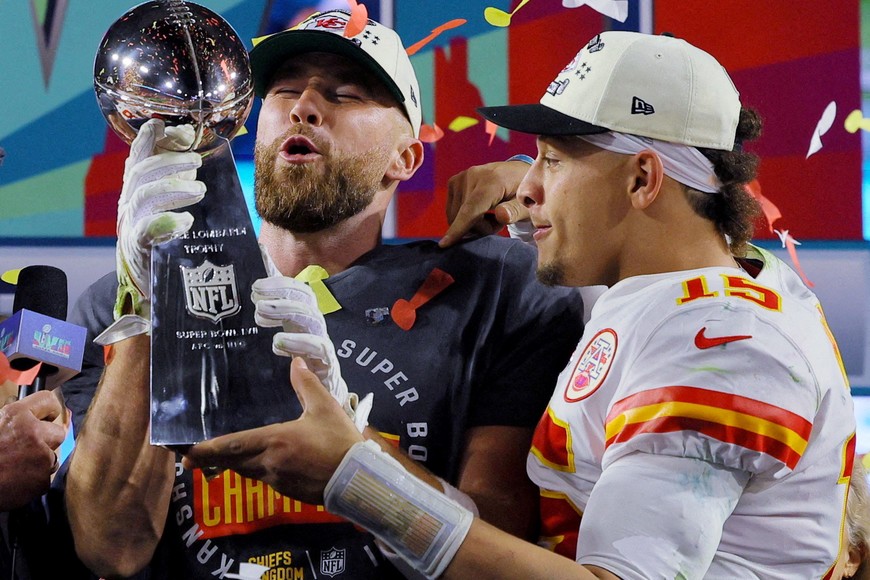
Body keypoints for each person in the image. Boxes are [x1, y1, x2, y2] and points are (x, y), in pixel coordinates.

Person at [181, 30, 858, 579]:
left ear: (644, 179)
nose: (524, 187)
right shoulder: (688, 291)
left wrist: (354, 479)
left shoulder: (719, 341)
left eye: (553, 160)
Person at [62, 9, 583, 579]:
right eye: (283, 90)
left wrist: (352, 450)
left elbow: (501, 541)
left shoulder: (495, 288)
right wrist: (152, 301)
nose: (302, 106)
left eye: (345, 94)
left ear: (404, 158)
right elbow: (110, 547)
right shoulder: (120, 301)